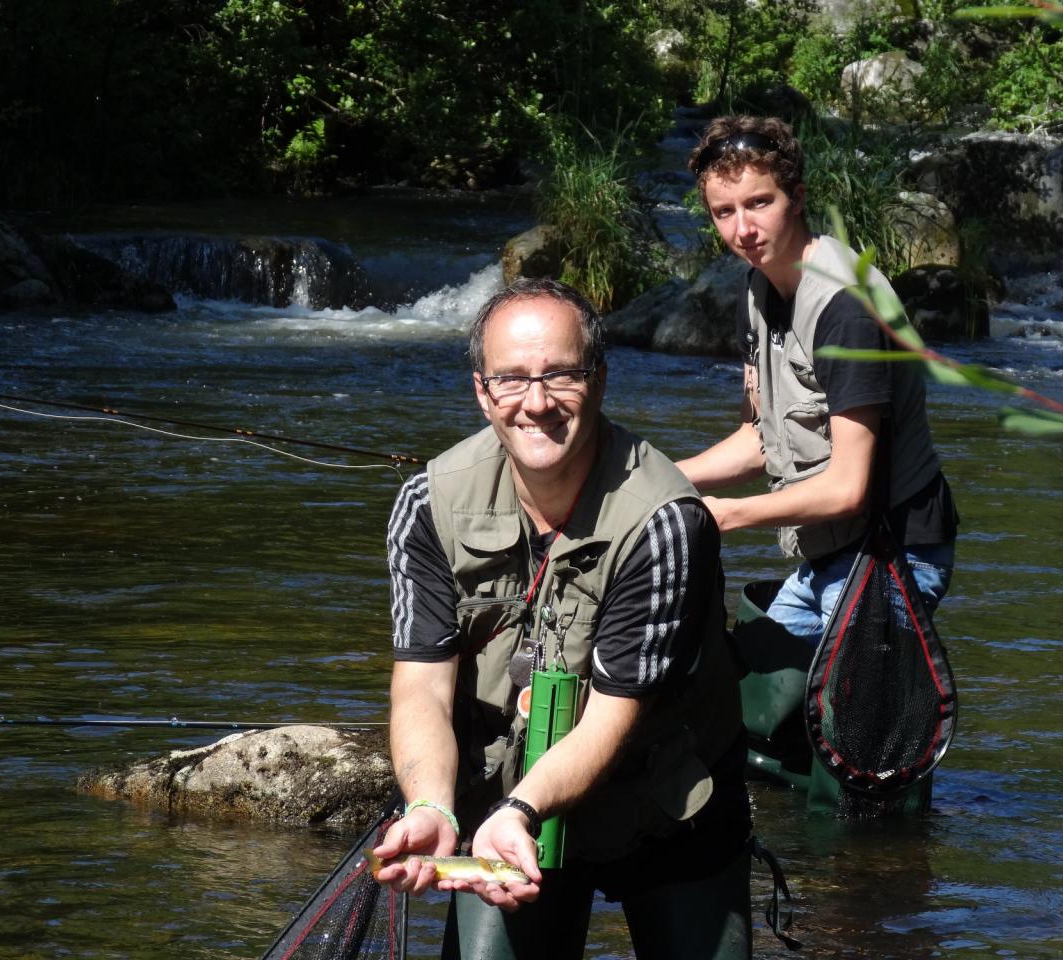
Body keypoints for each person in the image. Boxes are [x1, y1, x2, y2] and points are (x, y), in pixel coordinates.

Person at [375, 278, 752, 960]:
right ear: (482, 391)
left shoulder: (666, 521)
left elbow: (615, 714)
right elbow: (422, 687)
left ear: (601, 380)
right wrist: (431, 806)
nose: (537, 402)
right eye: (512, 379)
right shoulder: (426, 506)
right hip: (506, 812)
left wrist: (520, 810)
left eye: (562, 375)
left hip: (668, 803)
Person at [677, 114, 958, 653]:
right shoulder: (758, 288)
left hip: (894, 557)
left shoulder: (844, 307)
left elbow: (849, 487)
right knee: (751, 697)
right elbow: (761, 440)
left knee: (845, 726)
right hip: (830, 554)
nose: (743, 230)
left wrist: (726, 514)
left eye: (760, 203)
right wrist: (662, 479)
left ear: (797, 197)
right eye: (724, 212)